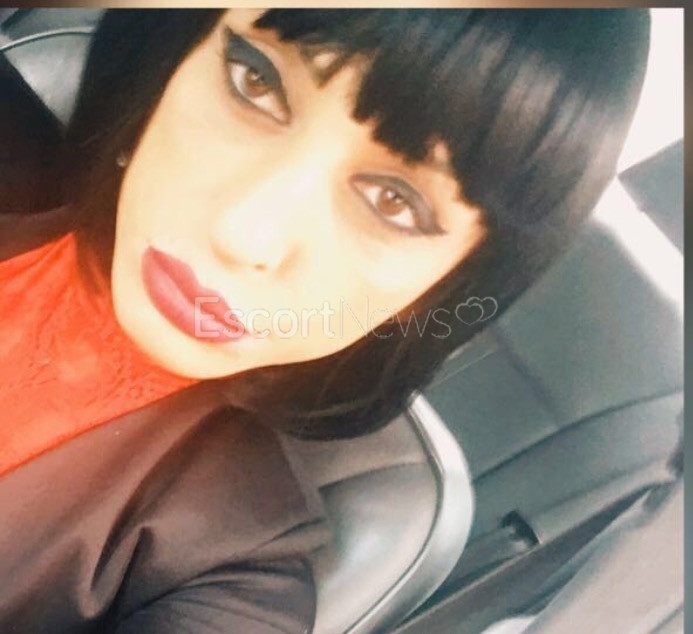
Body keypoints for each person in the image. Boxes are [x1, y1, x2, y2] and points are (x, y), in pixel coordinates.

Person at [0, 8, 650, 633]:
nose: (243, 234)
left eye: (394, 203)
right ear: (177, 52)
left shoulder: (233, 569)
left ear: (445, 287)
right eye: (254, 81)